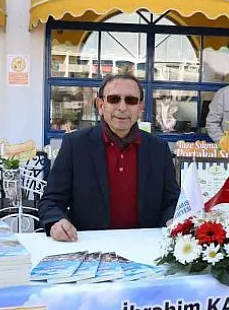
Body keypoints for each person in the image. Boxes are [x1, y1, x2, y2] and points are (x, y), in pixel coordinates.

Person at [38, 74, 181, 242]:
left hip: (145, 246)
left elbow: (172, 202)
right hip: (89, 246)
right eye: (114, 99)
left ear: (140, 107)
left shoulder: (158, 149)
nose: (122, 107)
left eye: (131, 100)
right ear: (101, 105)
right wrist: (56, 222)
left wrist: (173, 220)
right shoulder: (75, 145)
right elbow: (51, 201)